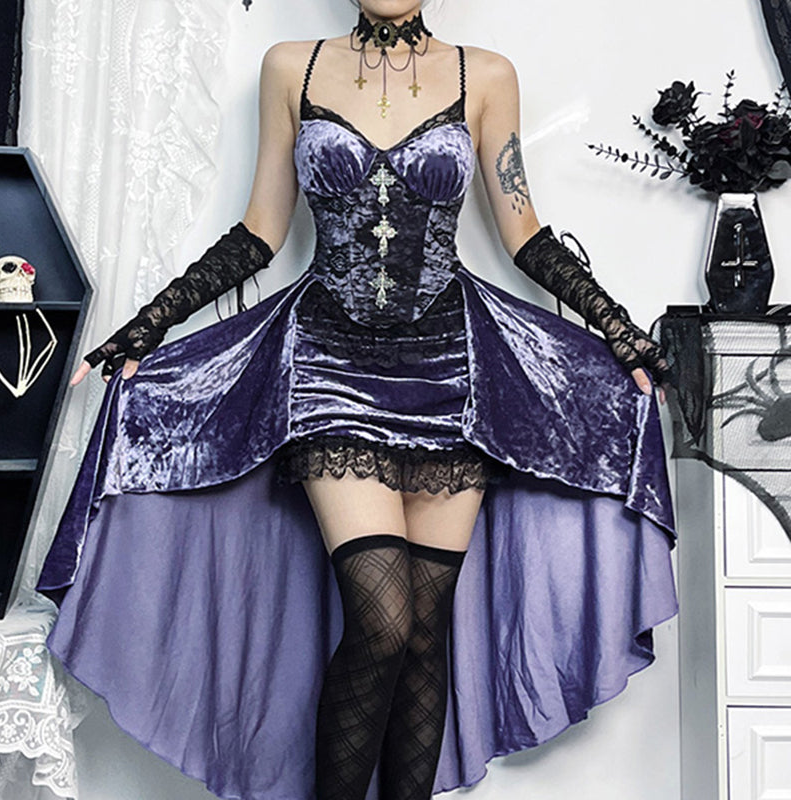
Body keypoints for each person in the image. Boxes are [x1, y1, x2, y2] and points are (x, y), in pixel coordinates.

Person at [36, 2, 679, 800]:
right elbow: (260, 231)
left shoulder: (485, 74)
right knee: (381, 623)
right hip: (327, 367)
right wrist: (149, 324)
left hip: (453, 373)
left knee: (424, 634)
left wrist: (618, 329)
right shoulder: (291, 65)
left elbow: (524, 233)